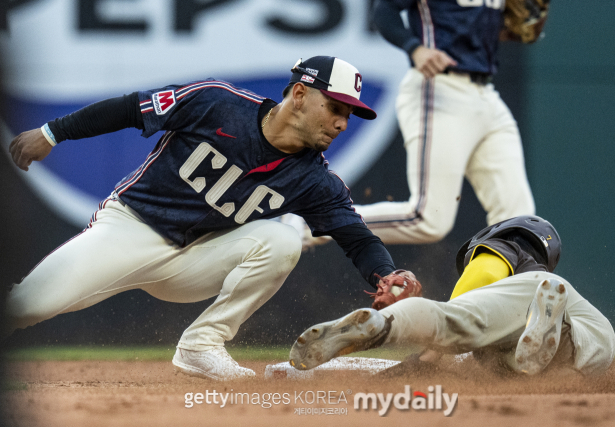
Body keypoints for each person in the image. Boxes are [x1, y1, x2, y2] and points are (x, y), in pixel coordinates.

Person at [5, 56, 411, 381]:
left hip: (197, 259)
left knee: (282, 240)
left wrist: (385, 275)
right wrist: (52, 133)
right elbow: (131, 109)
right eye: (335, 107)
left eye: (349, 114)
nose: (342, 122)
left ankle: (202, 345)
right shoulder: (217, 102)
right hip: (132, 228)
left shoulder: (316, 180)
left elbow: (356, 238)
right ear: (301, 94)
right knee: (27, 304)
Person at [298, 0, 537, 246]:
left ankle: (505, 283)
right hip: (439, 88)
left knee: (517, 218)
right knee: (428, 220)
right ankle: (311, 224)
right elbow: (384, 10)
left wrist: (502, 29)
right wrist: (415, 48)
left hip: (486, 94)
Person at [290, 216, 615, 377]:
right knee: (500, 363)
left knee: (454, 323)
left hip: (539, 294)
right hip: (591, 344)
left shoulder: (507, 246)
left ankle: (383, 323)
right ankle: (535, 343)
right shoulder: (535, 274)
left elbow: (465, 306)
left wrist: (422, 354)